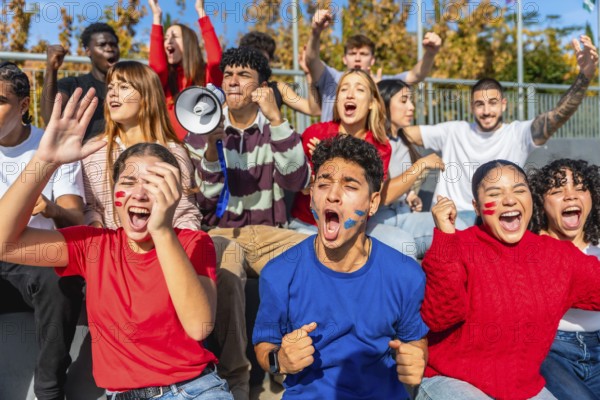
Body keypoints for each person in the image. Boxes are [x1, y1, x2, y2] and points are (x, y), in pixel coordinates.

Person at [0, 86, 234, 399]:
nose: (139, 193)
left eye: (154, 183)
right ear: (114, 195)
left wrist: (163, 229)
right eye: (128, 181)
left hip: (193, 391)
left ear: (174, 194)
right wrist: (45, 160)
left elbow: (198, 326)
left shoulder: (193, 242)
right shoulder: (92, 245)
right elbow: (4, 245)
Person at [80, 61, 249, 399]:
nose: (113, 93)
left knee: (227, 276)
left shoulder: (173, 151)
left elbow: (187, 214)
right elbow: (92, 211)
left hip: (168, 253)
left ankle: (236, 379)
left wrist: (168, 246)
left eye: (125, 86)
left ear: (148, 96)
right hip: (117, 261)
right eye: (111, 86)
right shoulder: (92, 151)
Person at [253, 135, 428, 399]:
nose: (332, 195)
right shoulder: (279, 274)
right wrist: (280, 361)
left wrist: (417, 359)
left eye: (349, 186)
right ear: (312, 196)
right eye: (323, 184)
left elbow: (414, 338)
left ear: (373, 203)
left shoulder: (405, 274)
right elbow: (264, 344)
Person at [417, 159, 600, 400]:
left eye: (519, 190)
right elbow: (439, 317)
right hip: (452, 380)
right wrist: (445, 236)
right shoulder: (457, 245)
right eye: (495, 193)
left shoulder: (557, 255)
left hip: (524, 388)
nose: (510, 199)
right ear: (476, 206)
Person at [402, 35, 599, 226]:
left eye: (493, 103)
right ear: (471, 107)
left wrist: (585, 76)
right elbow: (403, 134)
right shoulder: (453, 131)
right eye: (479, 104)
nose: (486, 111)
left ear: (503, 104)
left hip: (500, 216)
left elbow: (558, 115)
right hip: (453, 216)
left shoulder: (517, 133)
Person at [0, 62, 86, 400]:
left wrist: (53, 210)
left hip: (33, 259)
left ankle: (50, 387)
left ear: (23, 106)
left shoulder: (50, 146)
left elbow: (76, 219)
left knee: (59, 277)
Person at [187, 46, 311, 276]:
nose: (233, 82)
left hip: (271, 236)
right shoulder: (201, 130)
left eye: (243, 75)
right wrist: (212, 154)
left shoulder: (276, 128)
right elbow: (203, 203)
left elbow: (296, 181)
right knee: (228, 275)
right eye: (227, 75)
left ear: (263, 89)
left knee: (312, 262)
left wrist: (276, 119)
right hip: (221, 233)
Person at [288, 69, 420, 256]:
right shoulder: (315, 133)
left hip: (355, 228)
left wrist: (329, 160)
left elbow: (368, 199)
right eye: (343, 89)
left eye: (359, 89)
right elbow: (303, 188)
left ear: (372, 102)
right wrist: (320, 166)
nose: (349, 94)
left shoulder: (381, 146)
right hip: (309, 225)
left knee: (403, 243)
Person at [529, 159, 600, 399]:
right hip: (552, 351)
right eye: (558, 191)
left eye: (580, 189)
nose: (571, 196)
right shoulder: (529, 249)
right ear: (540, 202)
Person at [306, 8, 442, 122]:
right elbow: (311, 60)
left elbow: (415, 76)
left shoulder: (382, 83)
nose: (358, 58)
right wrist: (315, 33)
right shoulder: (332, 78)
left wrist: (430, 53)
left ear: (372, 60)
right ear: (344, 59)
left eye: (364, 54)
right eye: (353, 53)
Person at [148, 0, 223, 140]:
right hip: (168, 151)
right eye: (165, 38)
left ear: (189, 43)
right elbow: (156, 68)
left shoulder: (205, 76)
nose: (168, 41)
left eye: (175, 37)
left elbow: (216, 62)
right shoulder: (165, 80)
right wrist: (156, 16)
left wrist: (200, 10)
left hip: (201, 154)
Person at [41, 22, 120, 142]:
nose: (109, 49)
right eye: (102, 45)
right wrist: (51, 69)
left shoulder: (130, 86)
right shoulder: (73, 85)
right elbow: (50, 118)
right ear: (88, 51)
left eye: (113, 44)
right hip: (83, 158)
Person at [239, 31, 321, 116]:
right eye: (253, 59)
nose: (257, 65)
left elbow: (313, 110)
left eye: (262, 60)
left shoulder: (279, 88)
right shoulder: (232, 86)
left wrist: (308, 72)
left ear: (269, 61)